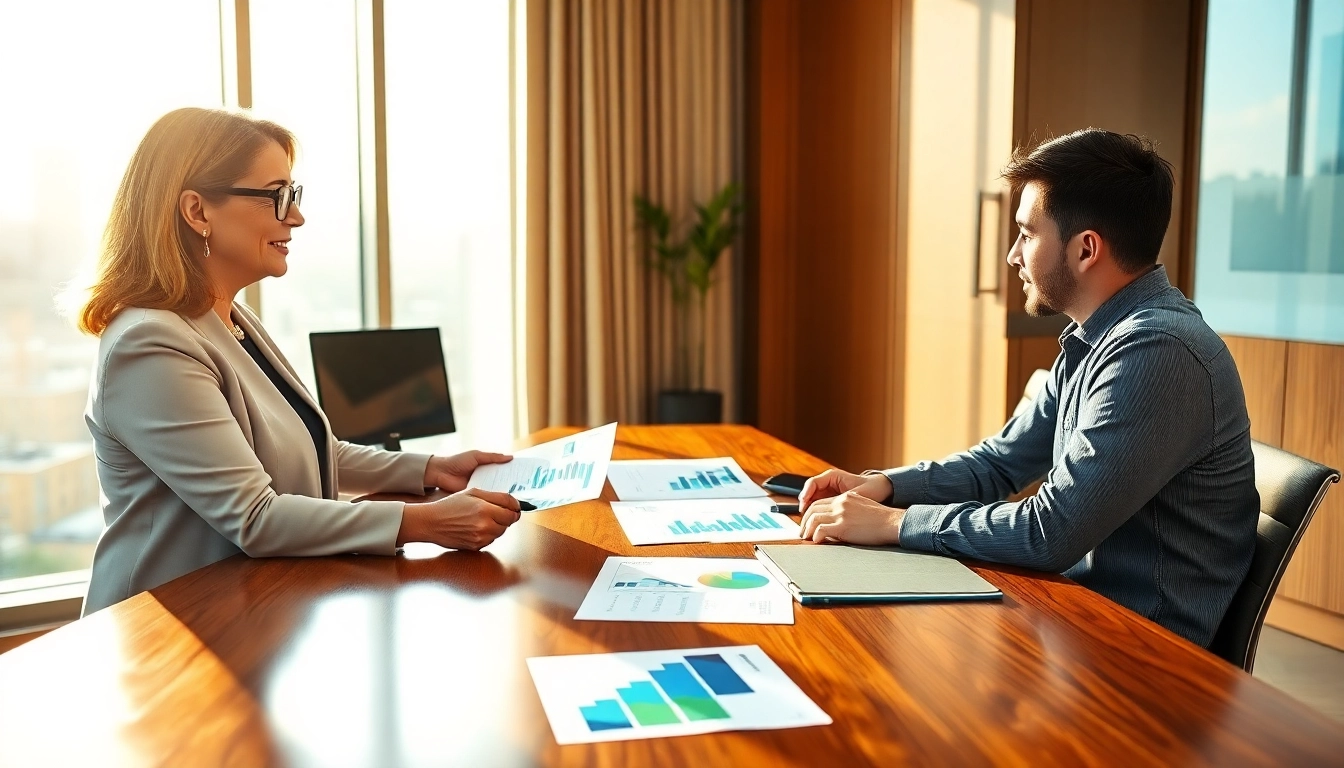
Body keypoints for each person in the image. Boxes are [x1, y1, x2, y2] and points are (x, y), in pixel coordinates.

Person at [798, 129, 1258, 648]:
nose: (1013, 255)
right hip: (1073, 621)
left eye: (1026, 233)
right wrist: (884, 486)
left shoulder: (1157, 351)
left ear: (1086, 249)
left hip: (1140, 657)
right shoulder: (1099, 339)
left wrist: (893, 524)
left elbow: (1050, 532)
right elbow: (999, 464)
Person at [75, 108, 523, 615]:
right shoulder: (150, 345)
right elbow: (255, 516)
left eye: (295, 195)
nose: (296, 217)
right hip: (167, 637)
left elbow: (312, 451)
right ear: (197, 211)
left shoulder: (227, 318)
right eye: (276, 196)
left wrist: (433, 470)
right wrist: (425, 522)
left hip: (250, 611)